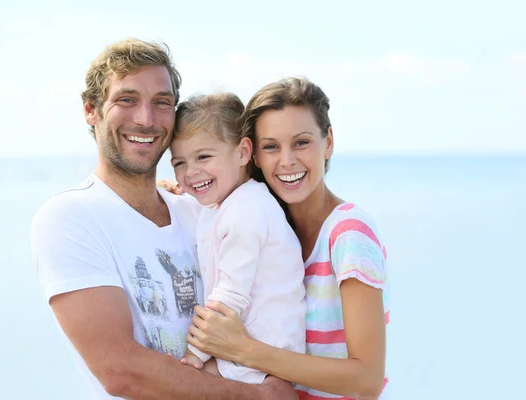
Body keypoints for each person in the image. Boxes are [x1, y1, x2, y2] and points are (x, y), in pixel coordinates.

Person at [30, 38, 298, 400]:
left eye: (162, 103)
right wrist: (261, 396)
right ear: (91, 110)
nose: (146, 118)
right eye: (126, 100)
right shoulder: (71, 218)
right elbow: (121, 371)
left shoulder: (203, 209)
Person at [184, 77, 390, 399]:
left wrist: (244, 349)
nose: (287, 160)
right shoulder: (269, 224)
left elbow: (367, 380)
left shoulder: (348, 234)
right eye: (271, 147)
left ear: (329, 142)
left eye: (301, 142)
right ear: (252, 155)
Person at [169, 93, 306, 383]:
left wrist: (195, 354)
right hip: (253, 353)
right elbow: (200, 212)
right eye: (179, 163)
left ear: (243, 152)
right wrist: (162, 190)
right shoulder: (231, 202)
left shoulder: (247, 210)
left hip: (260, 359)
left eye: (203, 156)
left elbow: (230, 294)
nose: (191, 172)